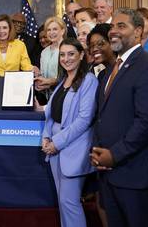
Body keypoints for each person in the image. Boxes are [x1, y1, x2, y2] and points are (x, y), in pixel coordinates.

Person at [90, 8, 148, 227]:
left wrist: (115, 155)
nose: (113, 31)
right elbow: (101, 116)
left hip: (134, 176)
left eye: (122, 26)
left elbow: (147, 122)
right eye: (113, 26)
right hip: (107, 174)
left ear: (138, 32)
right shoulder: (111, 68)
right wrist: (97, 152)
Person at [42, 37, 98, 227]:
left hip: (74, 148)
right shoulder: (62, 81)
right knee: (63, 202)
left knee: (69, 202)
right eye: (63, 55)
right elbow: (51, 114)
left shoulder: (89, 81)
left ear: (82, 55)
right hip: (55, 146)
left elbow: (84, 120)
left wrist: (56, 143)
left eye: (71, 54)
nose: (66, 59)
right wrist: (46, 137)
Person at [35, 16, 66, 95]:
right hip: (48, 96)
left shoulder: (68, 48)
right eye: (49, 30)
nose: (51, 32)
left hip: (64, 93)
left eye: (55, 29)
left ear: (62, 31)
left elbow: (68, 76)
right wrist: (40, 82)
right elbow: (43, 74)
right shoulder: (44, 52)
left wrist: (50, 82)